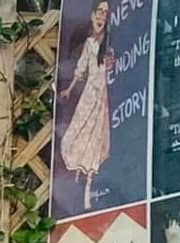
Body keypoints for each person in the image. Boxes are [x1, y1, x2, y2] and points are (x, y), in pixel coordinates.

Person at [59, 0, 114, 211]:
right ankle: (77, 178)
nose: (101, 16)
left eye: (105, 13)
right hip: (90, 93)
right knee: (79, 129)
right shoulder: (91, 42)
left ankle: (88, 187)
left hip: (101, 95)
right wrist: (69, 89)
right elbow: (81, 68)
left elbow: (108, 66)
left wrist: (110, 63)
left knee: (96, 134)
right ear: (92, 15)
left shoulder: (107, 43)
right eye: (99, 12)